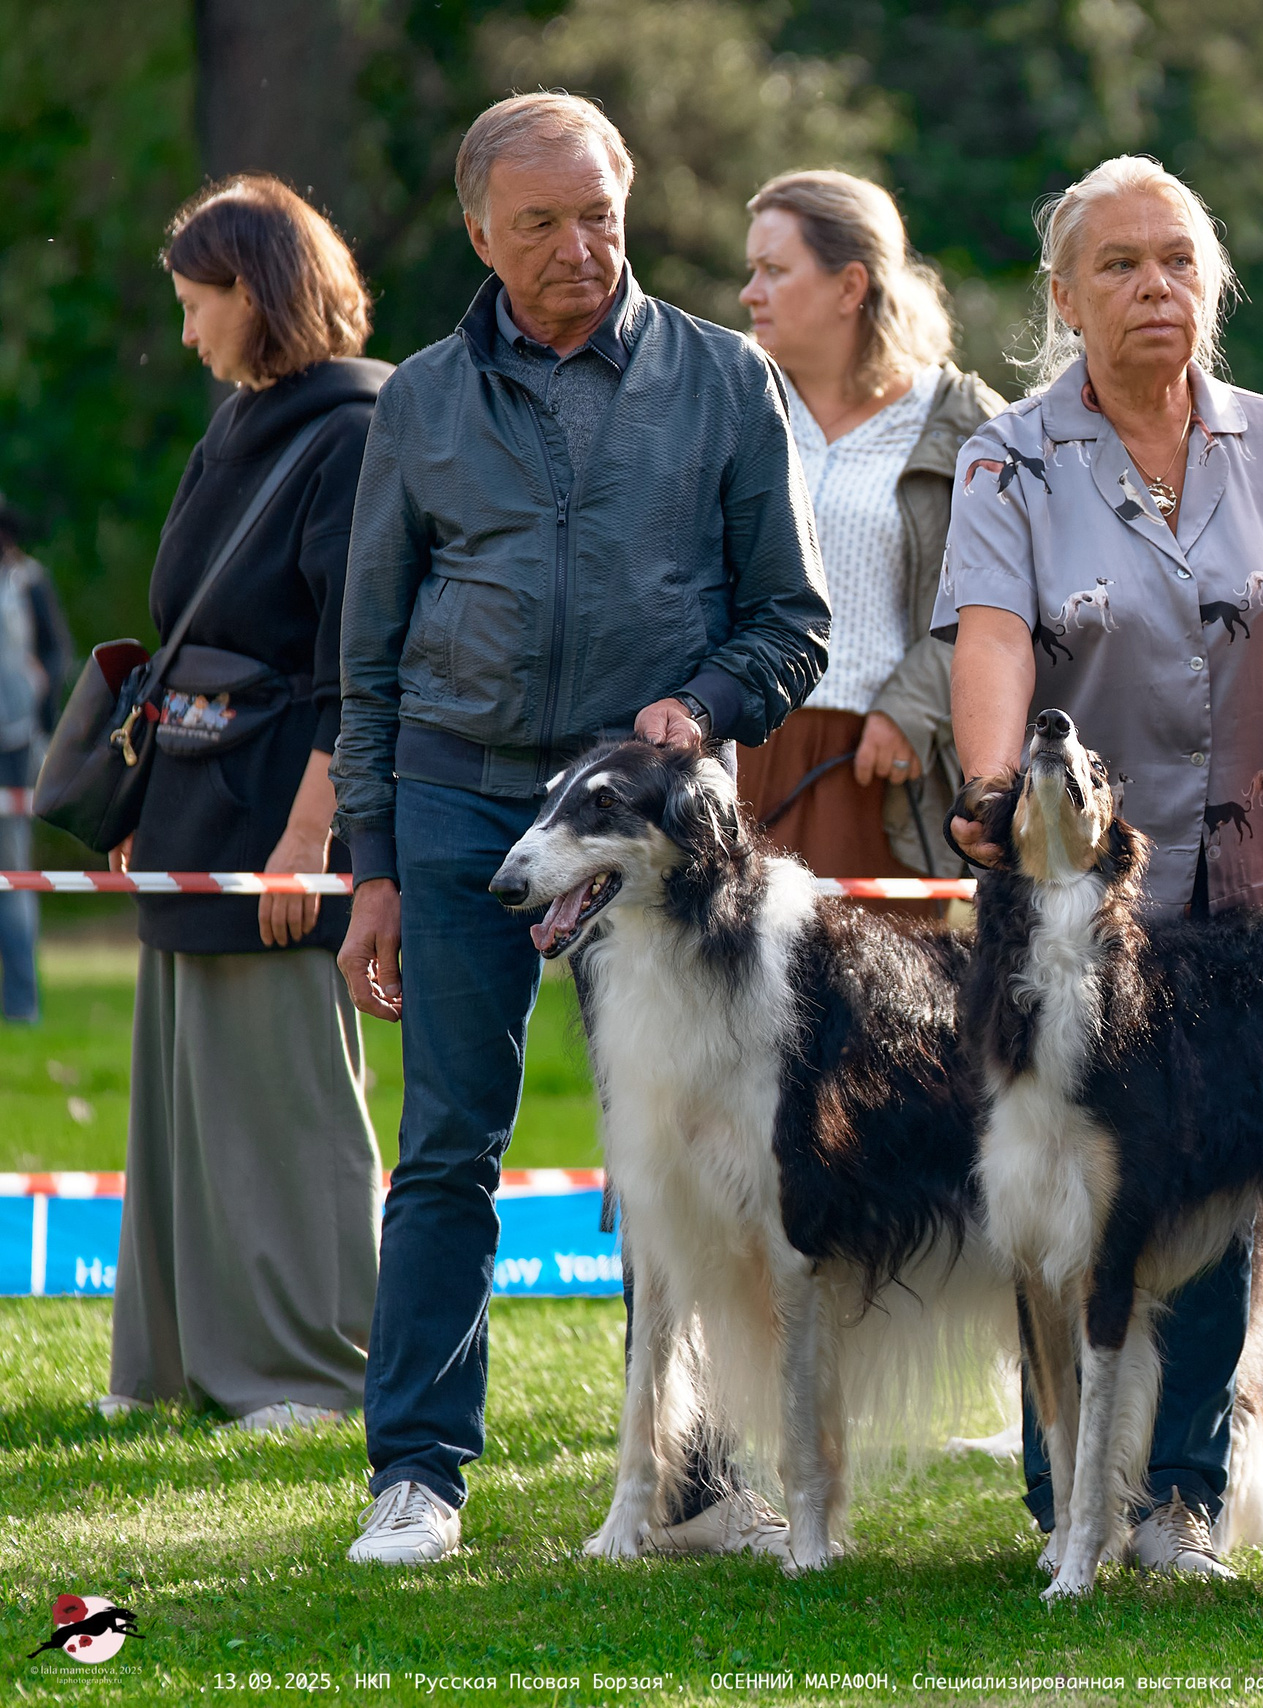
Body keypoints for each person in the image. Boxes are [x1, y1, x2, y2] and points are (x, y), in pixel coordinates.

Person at [333, 94, 828, 1564]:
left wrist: (702, 702)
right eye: (539, 224)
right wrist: (371, 866)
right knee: (446, 1151)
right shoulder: (414, 399)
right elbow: (363, 661)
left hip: (664, 830)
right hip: (457, 796)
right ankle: (417, 1476)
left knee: (695, 1161)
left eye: (598, 215)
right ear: (479, 232)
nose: (576, 249)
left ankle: (694, 1483)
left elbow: (793, 622)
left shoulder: (728, 379)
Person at [938, 155, 1263, 1577]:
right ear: (1063, 296)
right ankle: (1070, 1492)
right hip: (1082, 907)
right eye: (1118, 264)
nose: (1153, 287)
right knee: (1077, 1198)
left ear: (1213, 284)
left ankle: (1184, 1496)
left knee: (1219, 1188)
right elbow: (990, 635)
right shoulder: (1010, 459)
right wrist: (991, 786)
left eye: (1177, 260)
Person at [91, 177, 387, 1432]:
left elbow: (349, 654)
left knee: (287, 1096)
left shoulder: (358, 426)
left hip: (284, 811)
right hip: (199, 799)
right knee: (184, 1097)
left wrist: (311, 833)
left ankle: (314, 1372)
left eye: (197, 302)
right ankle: (173, 1362)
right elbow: (190, 626)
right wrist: (138, 794)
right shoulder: (242, 419)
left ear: (255, 293)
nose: (187, 329)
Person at [732, 170, 1001, 908]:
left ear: (850, 285)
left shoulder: (961, 421)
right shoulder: (731, 401)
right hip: (741, 753)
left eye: (774, 271)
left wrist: (914, 705)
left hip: (880, 770)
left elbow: (999, 593)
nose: (750, 292)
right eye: (751, 270)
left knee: (876, 1012)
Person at [0, 495, 75, 1023]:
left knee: (12, 879)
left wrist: (40, 694)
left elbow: (58, 652)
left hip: (15, 748)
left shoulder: (29, 581)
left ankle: (22, 1008)